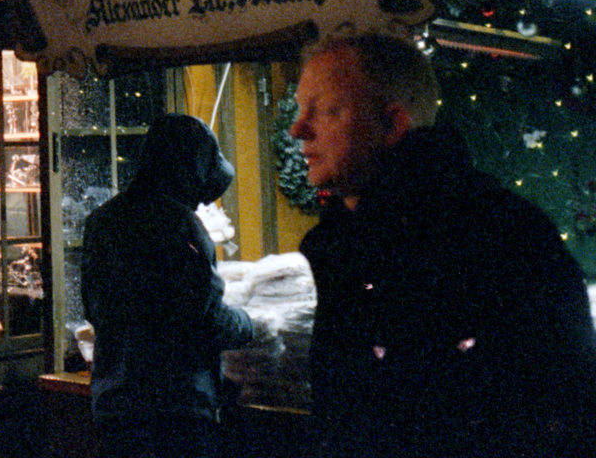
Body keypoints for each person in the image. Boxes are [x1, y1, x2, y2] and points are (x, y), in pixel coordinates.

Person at [293, 31, 596, 458]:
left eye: (325, 111)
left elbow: (553, 405)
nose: (298, 129)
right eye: (299, 109)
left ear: (393, 124)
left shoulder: (493, 235)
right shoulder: (344, 241)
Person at [79, 114, 256, 458]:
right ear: (189, 168)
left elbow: (95, 309)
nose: (202, 203)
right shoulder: (181, 228)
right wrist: (248, 323)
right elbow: (204, 321)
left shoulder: (101, 221)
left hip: (115, 410)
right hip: (177, 415)